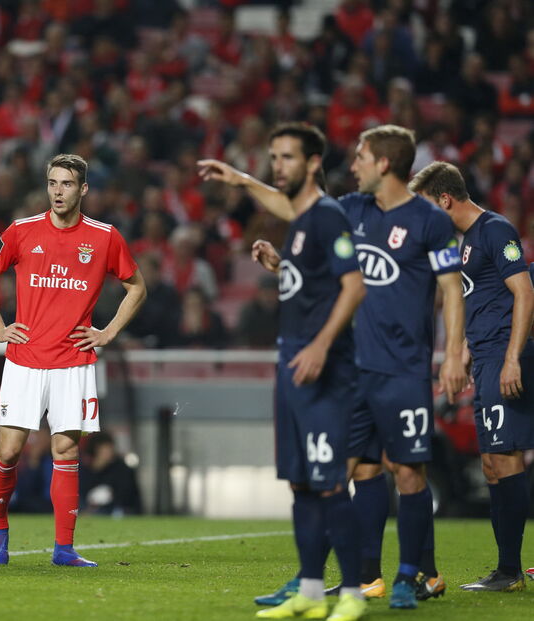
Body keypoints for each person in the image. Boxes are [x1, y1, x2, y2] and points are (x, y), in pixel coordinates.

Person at [200, 124, 465, 609]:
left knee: (408, 472)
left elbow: (450, 287)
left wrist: (452, 353)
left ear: (384, 163)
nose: (354, 163)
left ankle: (410, 576)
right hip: (353, 365)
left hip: (403, 367)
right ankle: (341, 578)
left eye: (362, 156)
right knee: (345, 472)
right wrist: (244, 183)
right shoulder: (352, 209)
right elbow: (299, 212)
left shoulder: (430, 220)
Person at [0, 153, 146, 567]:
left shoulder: (104, 237)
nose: (58, 191)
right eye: (52, 183)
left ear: (83, 189)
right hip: (25, 359)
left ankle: (64, 549)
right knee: (9, 452)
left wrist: (108, 333)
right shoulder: (21, 230)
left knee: (66, 452)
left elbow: (137, 287)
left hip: (73, 361)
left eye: (67, 184)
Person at [226, 123, 368, 620]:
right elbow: (314, 283)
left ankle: (352, 593)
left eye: (287, 157)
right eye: (273, 157)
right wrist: (281, 265)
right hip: (290, 364)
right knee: (301, 483)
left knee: (329, 482)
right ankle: (310, 590)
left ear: (312, 163)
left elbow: (354, 286)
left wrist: (321, 346)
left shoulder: (328, 216)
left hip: (321, 367)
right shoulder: (302, 220)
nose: (278, 165)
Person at [410, 162, 532, 592]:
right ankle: (506, 569)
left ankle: (510, 571)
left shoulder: (495, 230)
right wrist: (461, 352)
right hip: (484, 358)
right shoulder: (466, 242)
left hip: (503, 355)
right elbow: (481, 301)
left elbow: (524, 292)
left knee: (506, 458)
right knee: (491, 464)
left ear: (445, 200)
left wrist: (512, 358)